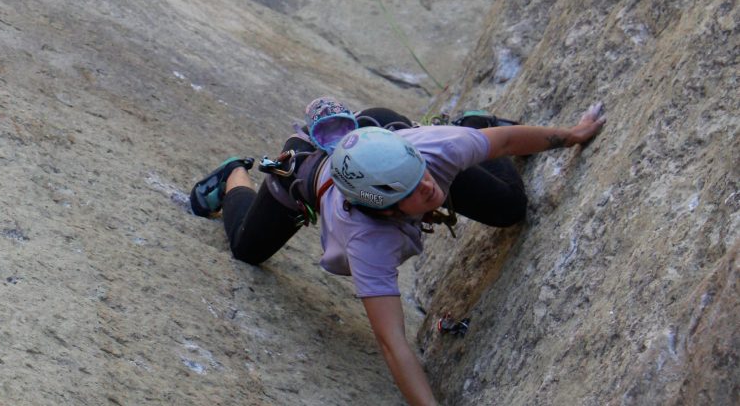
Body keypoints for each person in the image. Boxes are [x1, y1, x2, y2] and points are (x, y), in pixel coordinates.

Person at [189, 98, 606, 405]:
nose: (429, 187)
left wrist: (573, 134)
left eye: (422, 177)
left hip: (386, 138)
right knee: (246, 249)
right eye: (416, 189)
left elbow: (507, 141)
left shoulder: (431, 153)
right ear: (384, 209)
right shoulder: (368, 240)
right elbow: (393, 342)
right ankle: (233, 175)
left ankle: (470, 120)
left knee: (510, 208)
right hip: (304, 171)